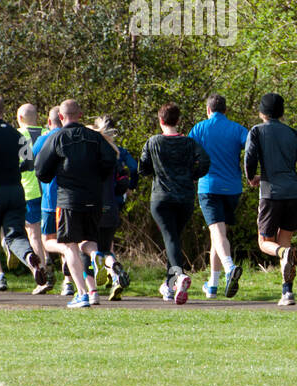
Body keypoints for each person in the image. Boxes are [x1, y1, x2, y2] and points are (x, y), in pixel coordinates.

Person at [33, 99, 116, 308]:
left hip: (69, 200)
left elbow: (41, 170)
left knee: (70, 245)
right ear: (80, 115)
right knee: (89, 241)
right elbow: (110, 162)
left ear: (61, 117)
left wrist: (57, 172)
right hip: (94, 199)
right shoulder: (96, 138)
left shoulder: (57, 137)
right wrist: (96, 177)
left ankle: (81, 294)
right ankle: (97, 255)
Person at [0, 94, 49, 299]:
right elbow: (28, 163)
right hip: (17, 192)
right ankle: (29, 257)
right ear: (3, 111)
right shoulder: (17, 134)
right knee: (15, 234)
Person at [139, 103, 210, 304]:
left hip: (161, 198)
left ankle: (178, 276)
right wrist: (191, 175)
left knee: (171, 239)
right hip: (185, 198)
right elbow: (205, 161)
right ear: (178, 121)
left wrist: (157, 173)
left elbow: (142, 168)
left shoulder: (153, 142)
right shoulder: (189, 143)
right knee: (174, 240)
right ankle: (169, 286)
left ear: (160, 121)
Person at [245, 93, 297, 306]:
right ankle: (287, 292)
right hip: (292, 193)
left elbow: (250, 158)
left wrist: (251, 177)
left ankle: (283, 253)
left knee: (265, 243)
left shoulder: (257, 131)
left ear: (262, 112)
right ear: (281, 112)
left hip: (270, 194)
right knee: (286, 239)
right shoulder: (293, 133)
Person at [190, 93, 249, 299]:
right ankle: (212, 286)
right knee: (218, 233)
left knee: (218, 232)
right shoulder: (237, 129)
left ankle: (229, 267)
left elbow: (188, 154)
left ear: (208, 110)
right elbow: (252, 148)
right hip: (232, 188)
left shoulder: (199, 128)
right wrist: (252, 173)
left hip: (208, 186)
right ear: (225, 110)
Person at [90, 115, 136, 300]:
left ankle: (88, 291)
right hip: (113, 204)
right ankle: (114, 274)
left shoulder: (90, 154)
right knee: (107, 247)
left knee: (90, 249)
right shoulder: (118, 152)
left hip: (92, 206)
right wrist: (128, 188)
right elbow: (132, 168)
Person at [31, 107, 70, 294]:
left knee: (48, 239)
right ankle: (68, 282)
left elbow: (33, 160)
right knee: (69, 237)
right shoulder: (70, 137)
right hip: (68, 197)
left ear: (49, 121)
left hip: (48, 198)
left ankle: (45, 276)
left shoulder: (43, 139)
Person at [16, 104, 49, 289]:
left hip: (29, 190)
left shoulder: (18, 135)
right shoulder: (47, 132)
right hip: (49, 190)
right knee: (57, 235)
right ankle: (68, 281)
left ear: (20, 117)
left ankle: (42, 274)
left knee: (33, 234)